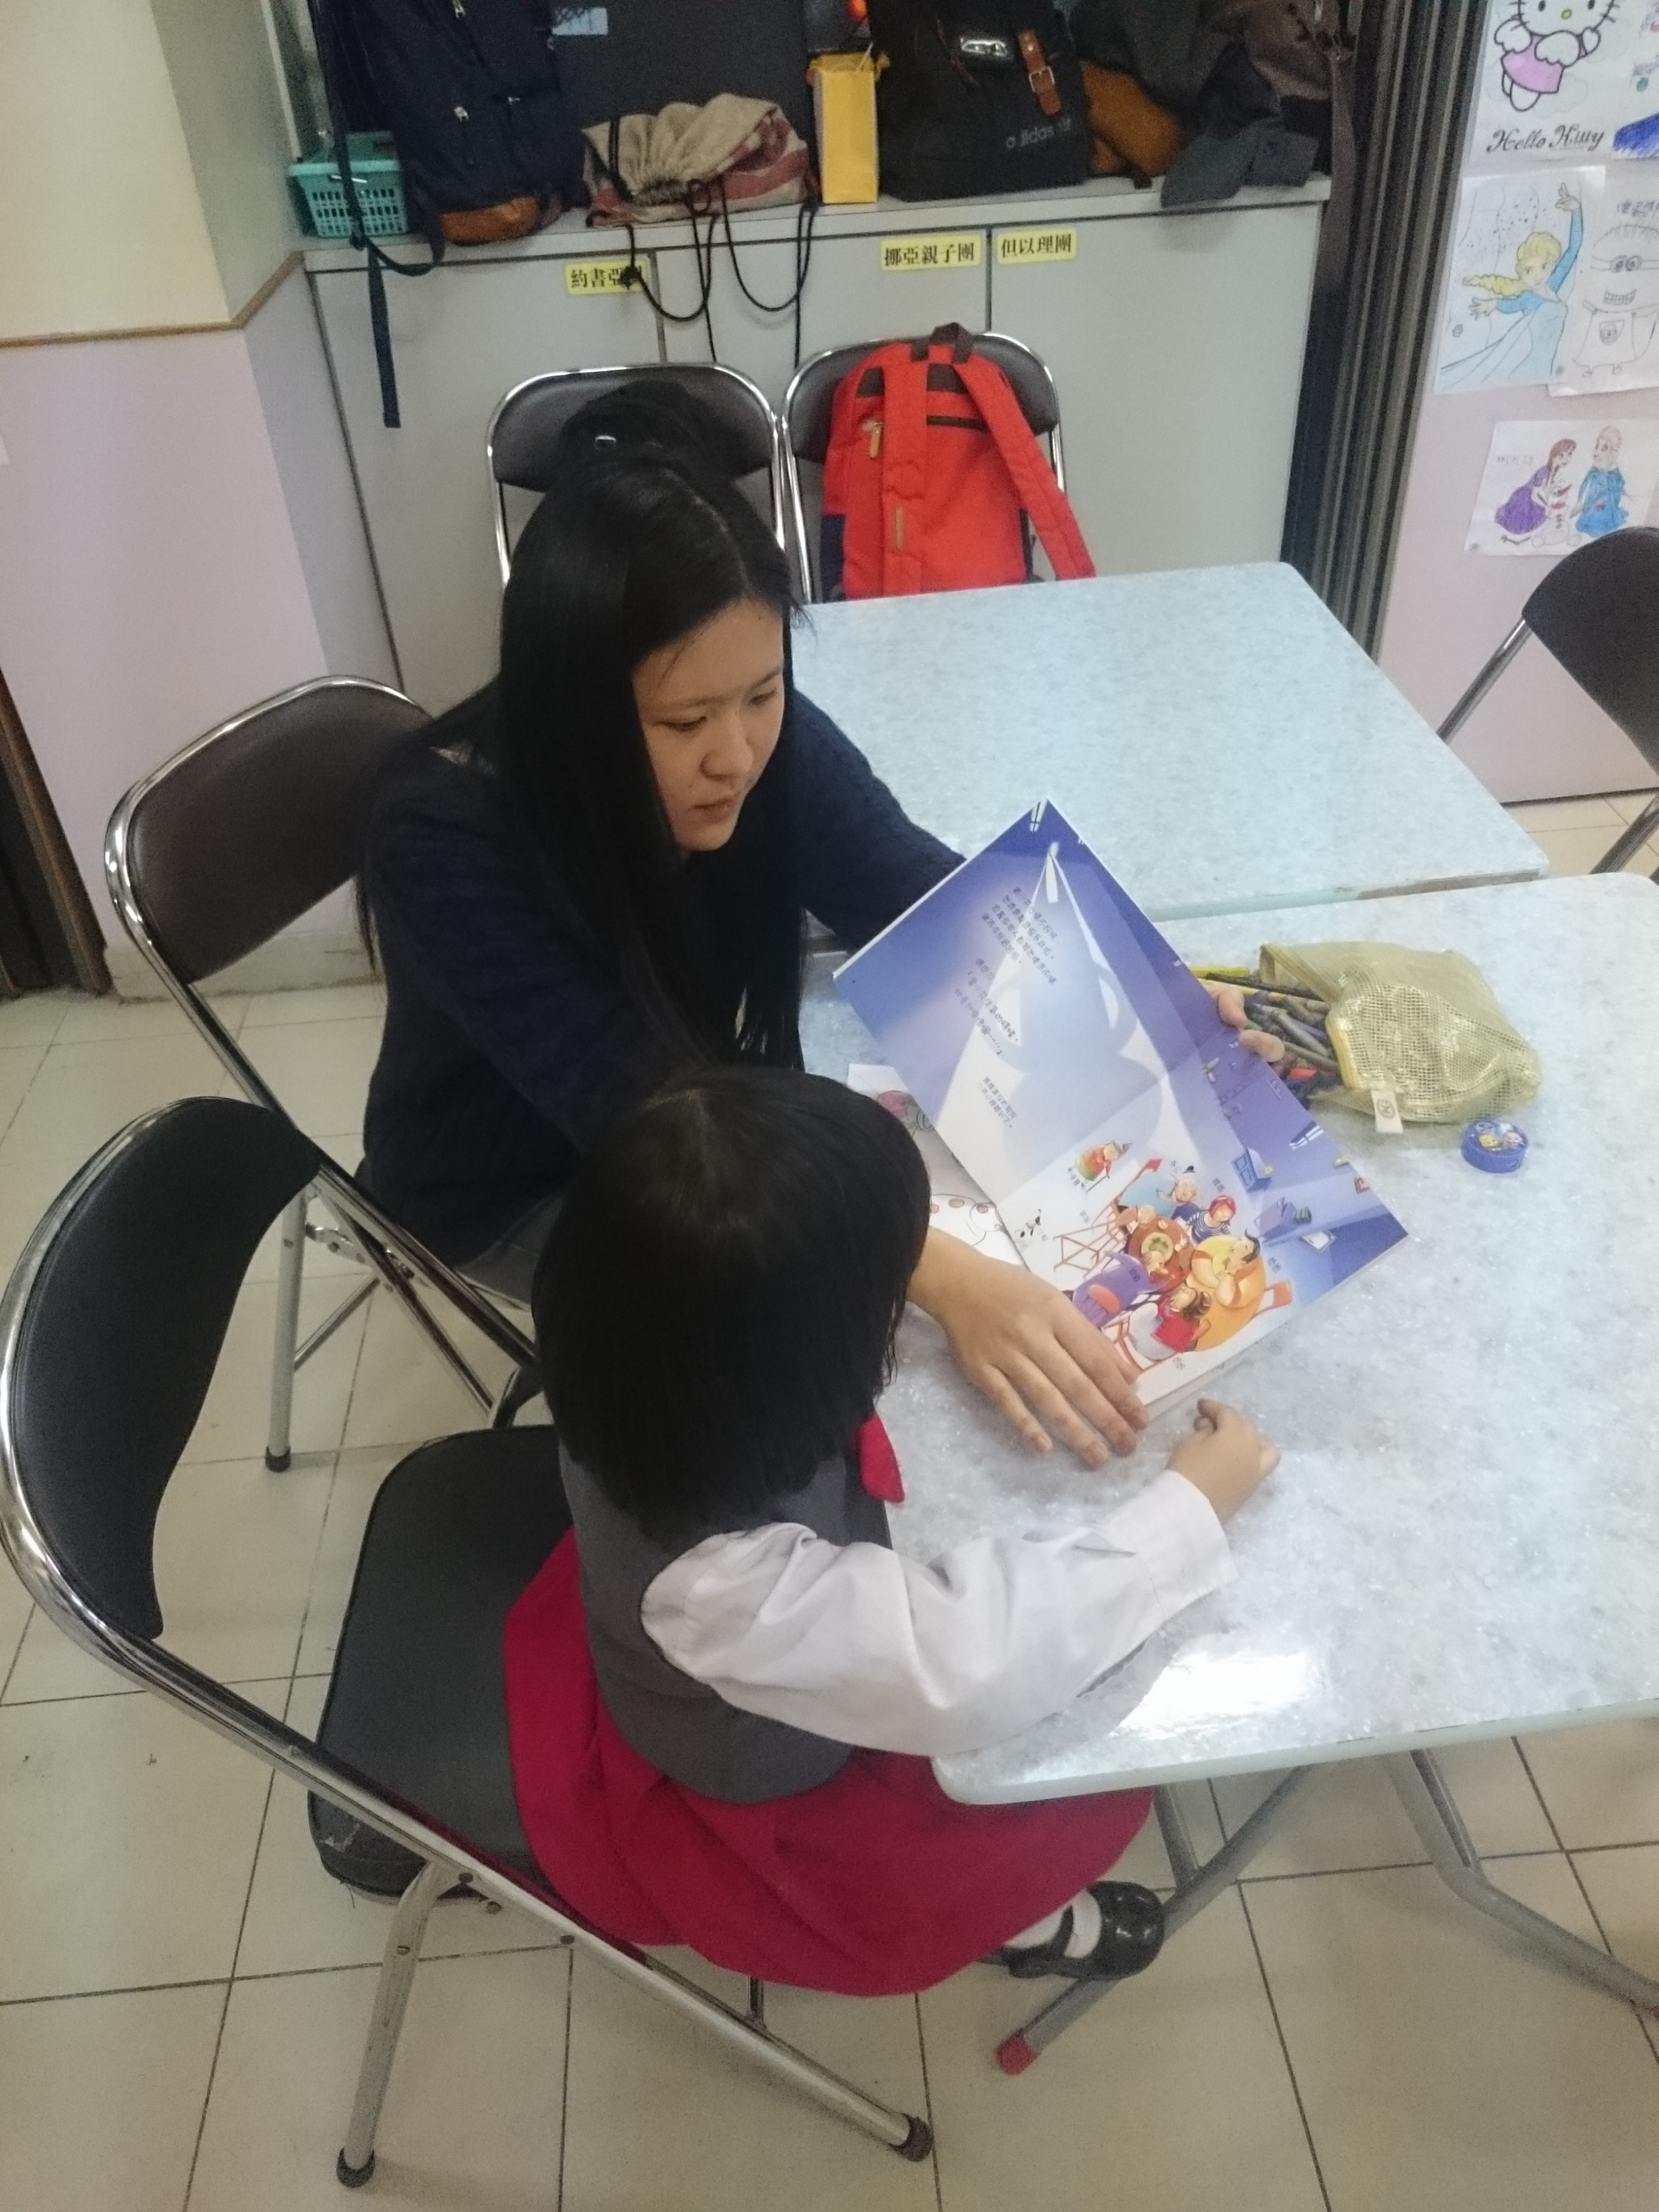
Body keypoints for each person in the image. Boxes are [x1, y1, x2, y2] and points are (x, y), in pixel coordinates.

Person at [359, 388, 1277, 1467]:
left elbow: (927, 898)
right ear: (576, 705)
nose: (737, 754)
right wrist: (933, 1270)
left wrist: (1149, 997)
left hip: (706, 1107)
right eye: (685, 721)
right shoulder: (444, 830)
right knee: (818, 1381)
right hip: (520, 1182)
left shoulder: (754, 734)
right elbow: (647, 1112)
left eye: (762, 695)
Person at [504, 1065, 1279, 1993]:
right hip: (765, 1763)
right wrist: (1188, 1512)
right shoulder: (722, 1589)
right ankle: (1031, 1926)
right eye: (881, 1291)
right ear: (790, 1358)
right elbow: (967, 1664)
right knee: (1000, 1821)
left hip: (727, 1610)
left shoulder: (642, 1332)